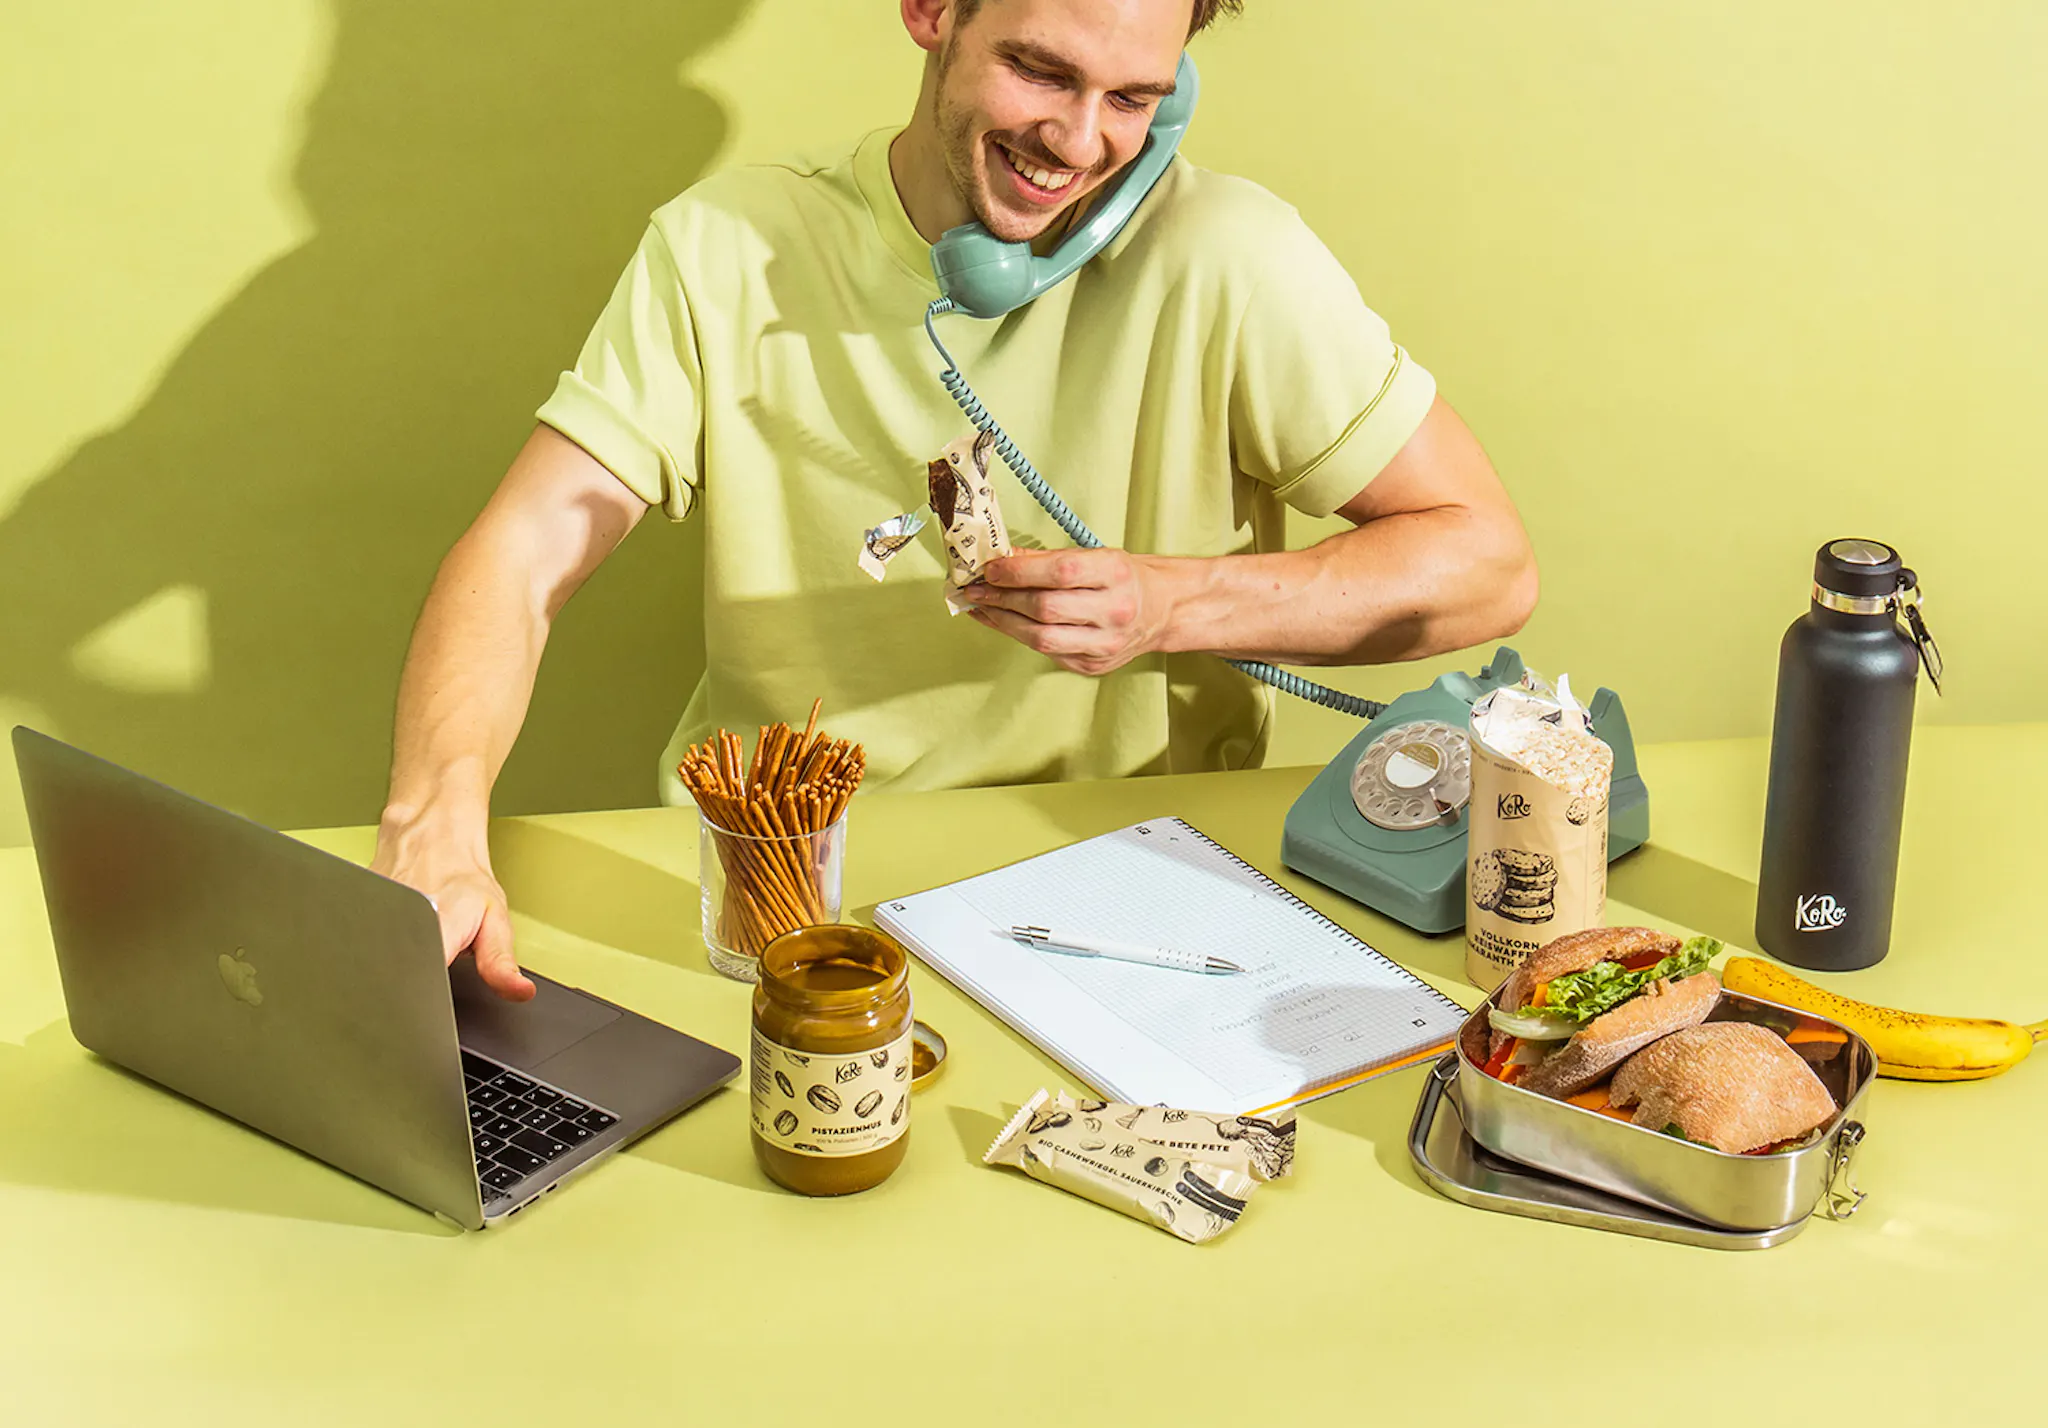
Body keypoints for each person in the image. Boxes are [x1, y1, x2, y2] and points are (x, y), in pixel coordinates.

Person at [375, 0, 1538, 999]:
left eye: (1133, 97)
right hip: (783, 888)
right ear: (931, 8)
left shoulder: (1226, 253)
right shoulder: (724, 246)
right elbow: (526, 548)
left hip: (1127, 886)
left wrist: (1170, 605)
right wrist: (435, 819)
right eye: (1039, 69)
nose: (1077, 142)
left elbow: (1488, 562)